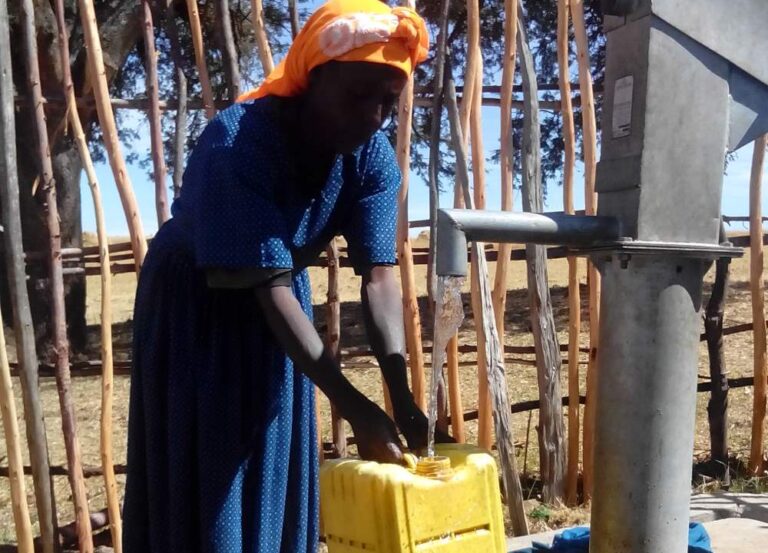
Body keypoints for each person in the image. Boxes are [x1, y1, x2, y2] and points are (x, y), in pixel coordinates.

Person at [122, 1, 451, 551]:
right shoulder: (238, 143)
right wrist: (353, 405)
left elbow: (380, 276)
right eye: (357, 96)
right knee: (214, 457)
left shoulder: (369, 158)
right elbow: (264, 286)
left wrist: (398, 393)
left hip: (281, 302)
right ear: (314, 79)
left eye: (387, 104)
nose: (372, 116)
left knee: (276, 447)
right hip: (199, 306)